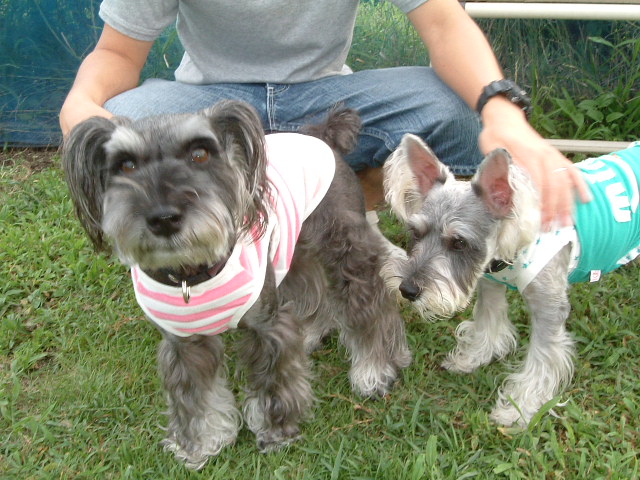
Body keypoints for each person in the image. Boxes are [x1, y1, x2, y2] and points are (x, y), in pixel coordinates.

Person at [59, 0, 591, 230]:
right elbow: (117, 54)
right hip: (212, 105)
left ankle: (329, 212)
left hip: (324, 95)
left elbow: (443, 23)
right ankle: (204, 232)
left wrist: (501, 110)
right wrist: (81, 102)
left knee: (457, 110)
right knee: (119, 120)